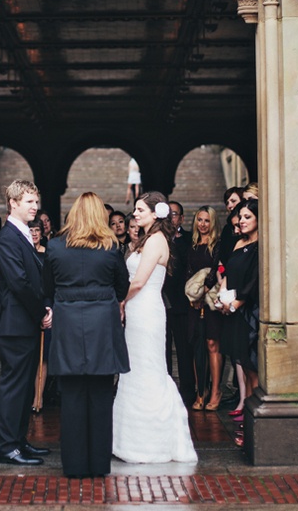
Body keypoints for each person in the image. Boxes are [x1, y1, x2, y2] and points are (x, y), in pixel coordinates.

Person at [44, 192, 129, 478]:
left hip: (68, 321)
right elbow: (122, 285)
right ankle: (98, 463)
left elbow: (47, 285)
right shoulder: (111, 247)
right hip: (102, 323)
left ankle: (75, 465)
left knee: (71, 396)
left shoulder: (55, 247)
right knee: (102, 394)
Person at [113, 191, 197, 464]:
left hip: (146, 310)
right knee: (136, 368)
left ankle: (150, 442)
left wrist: (122, 302)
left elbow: (138, 282)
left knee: (147, 368)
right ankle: (133, 439)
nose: (134, 214)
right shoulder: (148, 240)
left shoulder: (155, 241)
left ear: (154, 213)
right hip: (140, 310)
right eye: (135, 210)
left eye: (139, 210)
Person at [0, 180, 52, 466]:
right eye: (29, 202)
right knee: (13, 387)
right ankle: (6, 447)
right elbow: (19, 282)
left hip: (24, 322)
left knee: (25, 386)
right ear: (13, 203)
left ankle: (19, 441)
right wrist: (41, 311)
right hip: (14, 324)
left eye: (36, 201)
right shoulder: (7, 238)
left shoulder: (23, 235)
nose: (35, 207)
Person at [218, 199, 259, 447]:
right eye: (240, 217)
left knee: (252, 366)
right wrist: (223, 298)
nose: (242, 221)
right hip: (231, 308)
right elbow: (229, 273)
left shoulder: (258, 246)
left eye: (247, 217)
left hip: (247, 312)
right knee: (240, 361)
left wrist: (235, 304)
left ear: (257, 220)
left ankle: (252, 422)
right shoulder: (237, 242)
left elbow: (253, 282)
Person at [187, 205, 223, 411]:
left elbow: (215, 269)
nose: (202, 224)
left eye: (206, 220)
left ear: (213, 222)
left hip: (211, 299)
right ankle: (201, 391)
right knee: (196, 344)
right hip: (194, 301)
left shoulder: (217, 244)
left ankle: (216, 390)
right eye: (199, 220)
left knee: (212, 343)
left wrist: (204, 290)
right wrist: (192, 295)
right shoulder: (192, 245)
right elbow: (188, 271)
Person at [164, 201, 196, 407]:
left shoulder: (188, 241)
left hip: (182, 303)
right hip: (160, 302)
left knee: (184, 350)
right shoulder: (157, 239)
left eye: (174, 214)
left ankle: (187, 391)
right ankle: (165, 390)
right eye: (167, 214)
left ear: (182, 218)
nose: (171, 218)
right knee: (163, 349)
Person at [28, 219, 50, 412]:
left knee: (44, 356)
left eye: (37, 230)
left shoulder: (48, 254)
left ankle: (38, 398)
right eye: (31, 230)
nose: (34, 234)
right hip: (27, 305)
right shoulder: (23, 252)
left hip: (46, 304)